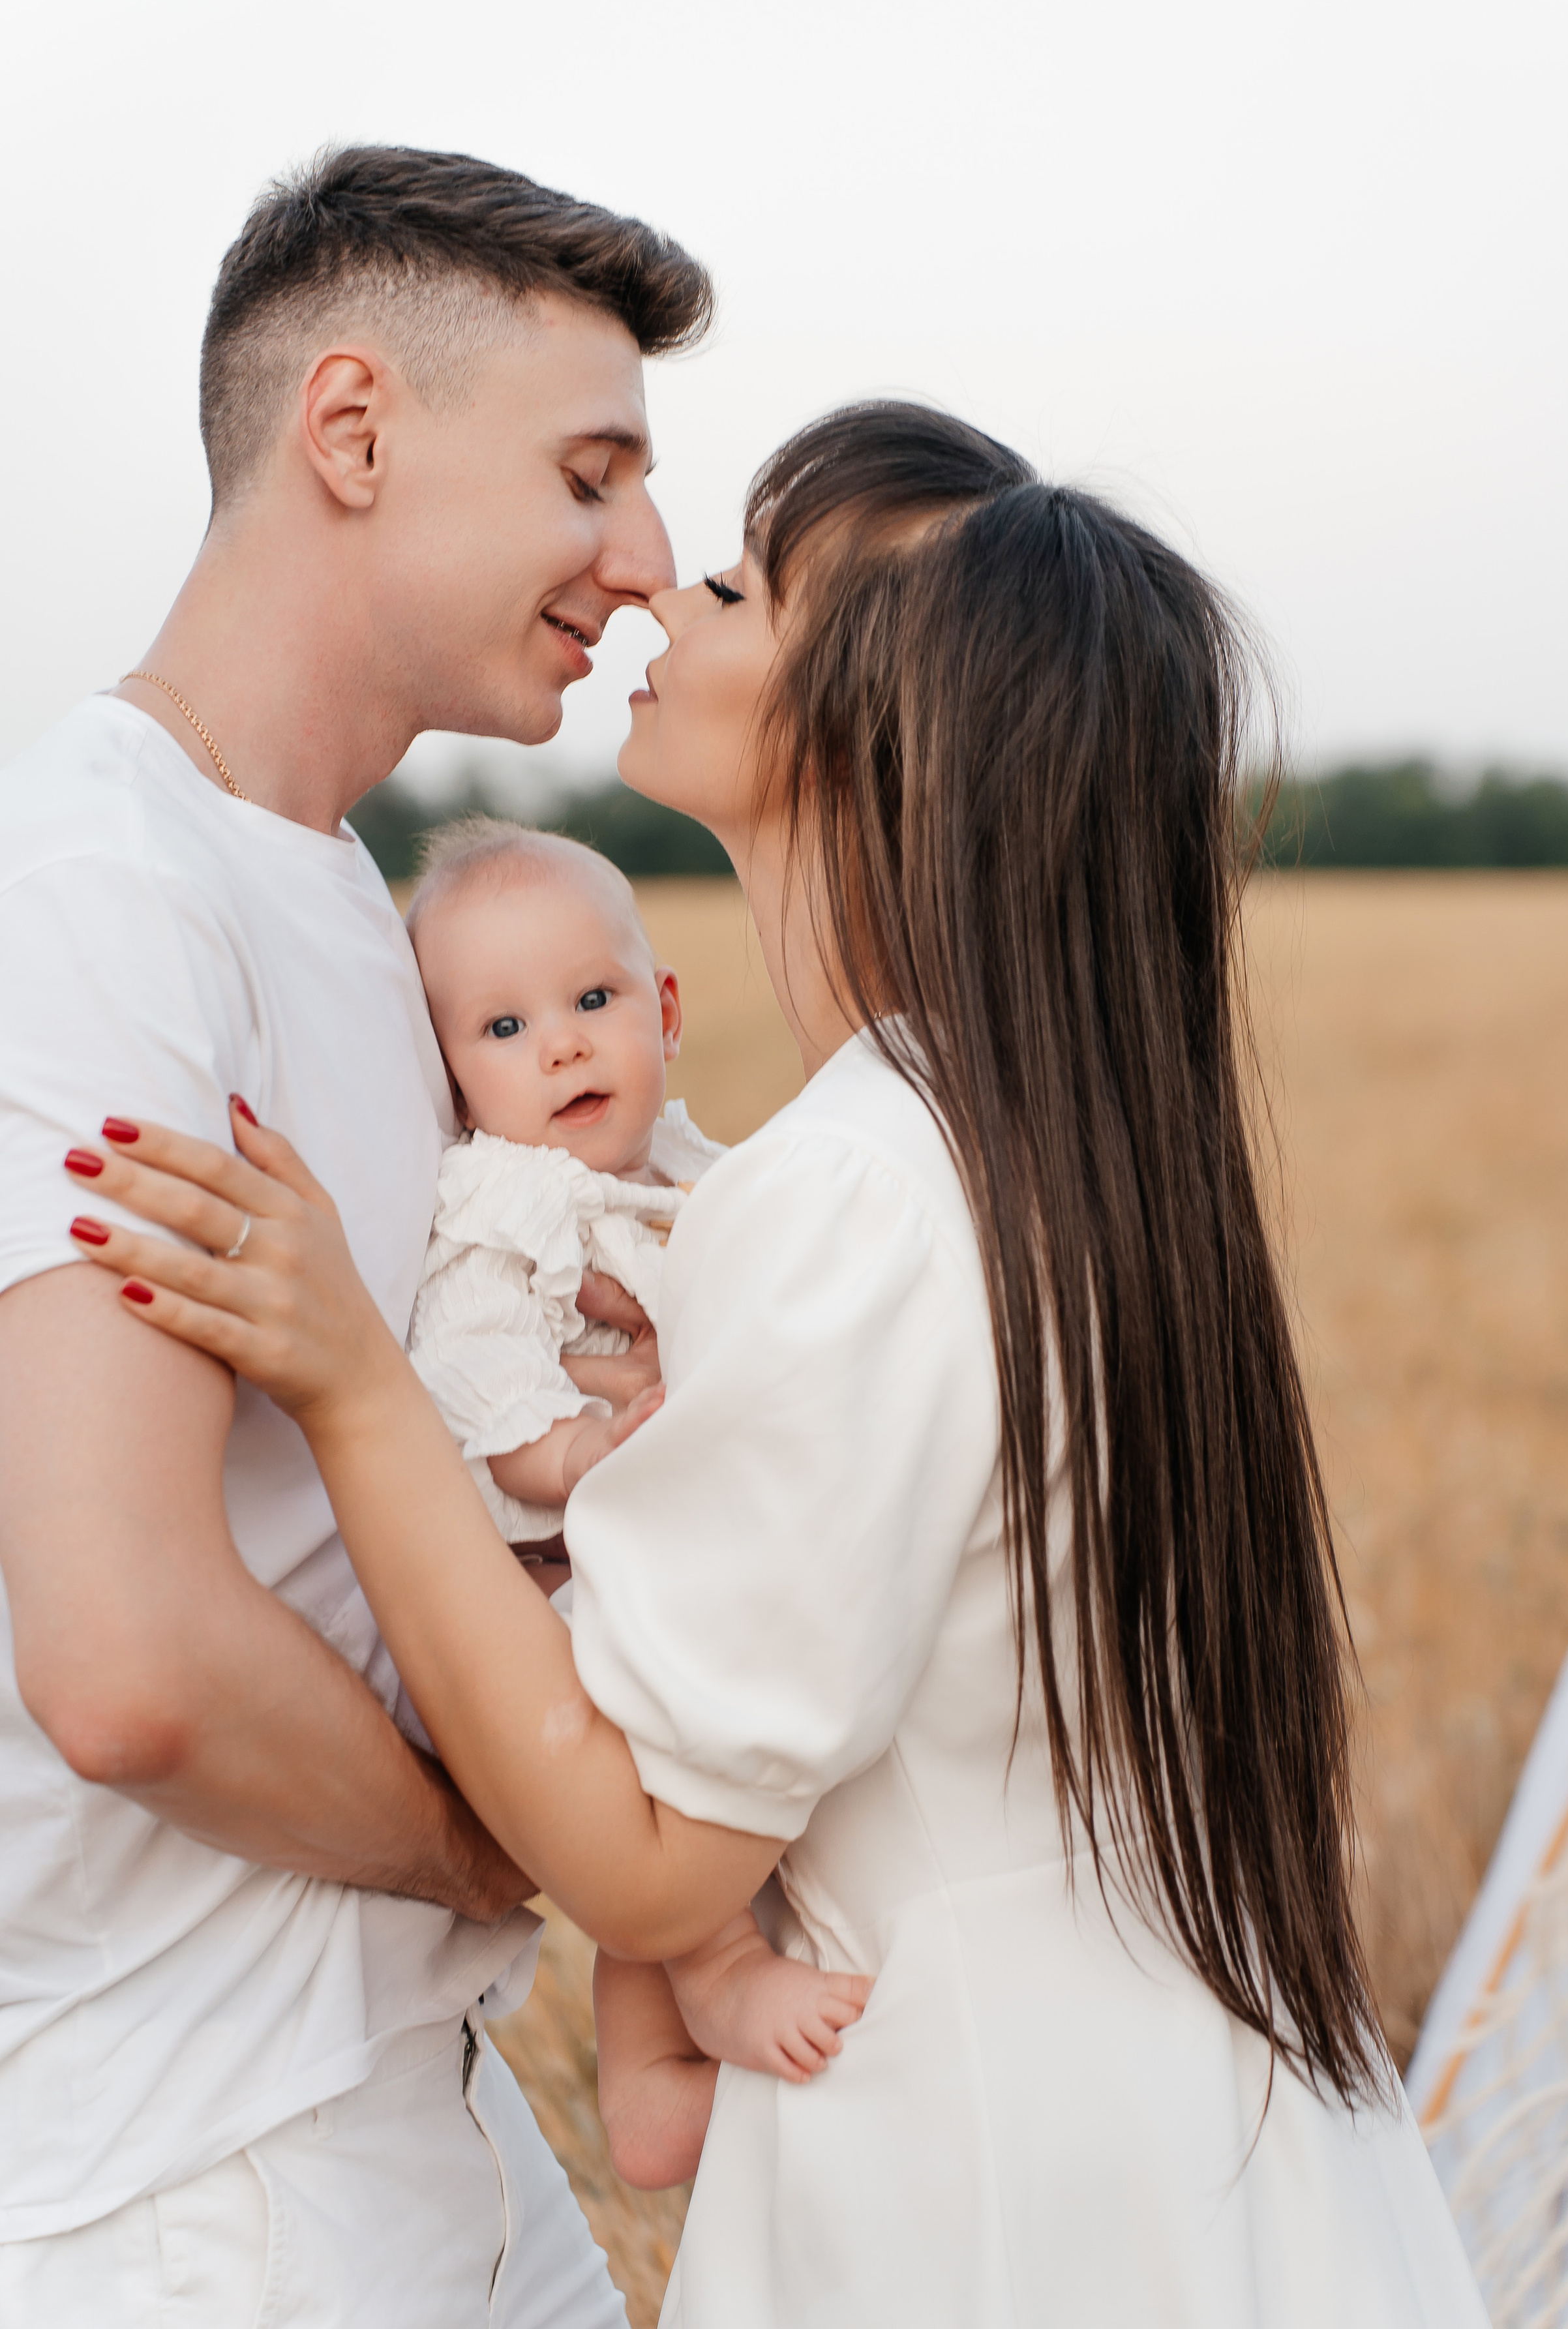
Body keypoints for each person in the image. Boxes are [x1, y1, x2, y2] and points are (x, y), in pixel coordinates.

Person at [65, 403, 1491, 2326]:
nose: (659, 579)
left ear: (879, 730)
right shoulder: (1031, 1140)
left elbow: (653, 1868)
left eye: (740, 581)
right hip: (1181, 2160)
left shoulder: (850, 1191)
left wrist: (353, 1382)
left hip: (980, 2192)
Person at [0, 143, 709, 2328]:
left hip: (423, 2102)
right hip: (208, 2179)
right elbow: (126, 1668)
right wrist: (504, 1848)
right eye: (593, 474)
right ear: (353, 431)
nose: (653, 564)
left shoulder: (361, 903)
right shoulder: (99, 884)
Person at [399, 817, 874, 2165]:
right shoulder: (500, 1208)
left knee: (703, 1751)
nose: (559, 1045)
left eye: (592, 1001)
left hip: (662, 1554)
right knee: (655, 1763)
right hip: (563, 1562)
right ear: (449, 1080)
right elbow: (473, 1369)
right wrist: (571, 1456)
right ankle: (713, 1977)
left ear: (661, 1009)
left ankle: (652, 2083)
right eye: (502, 1028)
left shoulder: (696, 1174)